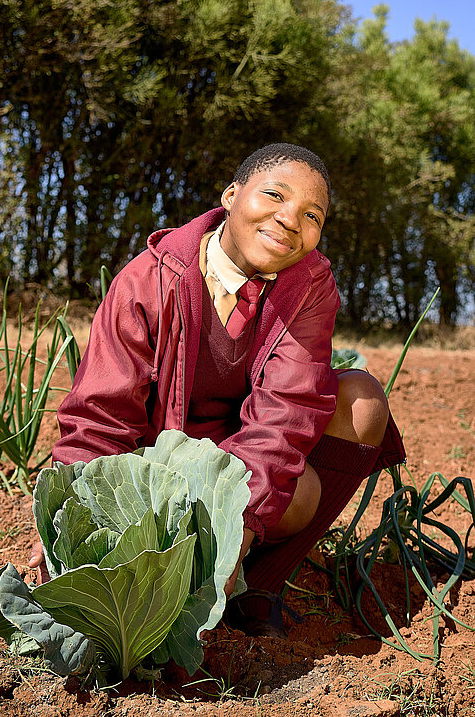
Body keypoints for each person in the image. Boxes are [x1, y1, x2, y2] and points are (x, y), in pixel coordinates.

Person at [29, 143, 405, 636]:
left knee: (362, 403)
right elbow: (101, 413)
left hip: (236, 473)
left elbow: (288, 412)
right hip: (156, 478)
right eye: (275, 195)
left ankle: (261, 585)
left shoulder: (309, 287)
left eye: (311, 215)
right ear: (231, 195)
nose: (290, 220)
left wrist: (240, 529)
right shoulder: (149, 281)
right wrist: (64, 516)